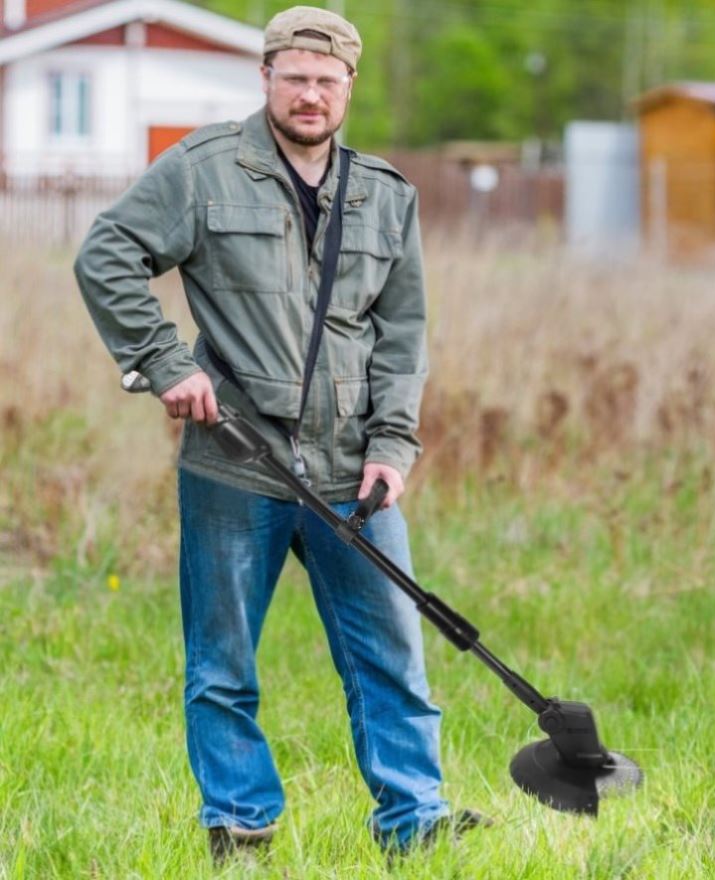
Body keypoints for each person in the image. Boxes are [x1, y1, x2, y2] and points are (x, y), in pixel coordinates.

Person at [74, 4, 490, 864]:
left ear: (350, 86)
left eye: (326, 80)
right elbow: (106, 253)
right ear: (265, 77)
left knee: (393, 656)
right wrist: (163, 362)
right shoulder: (202, 170)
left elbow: (403, 334)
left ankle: (414, 821)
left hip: (352, 472)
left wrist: (393, 446)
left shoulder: (384, 195)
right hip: (235, 461)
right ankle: (240, 824)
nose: (310, 94)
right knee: (222, 664)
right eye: (294, 77)